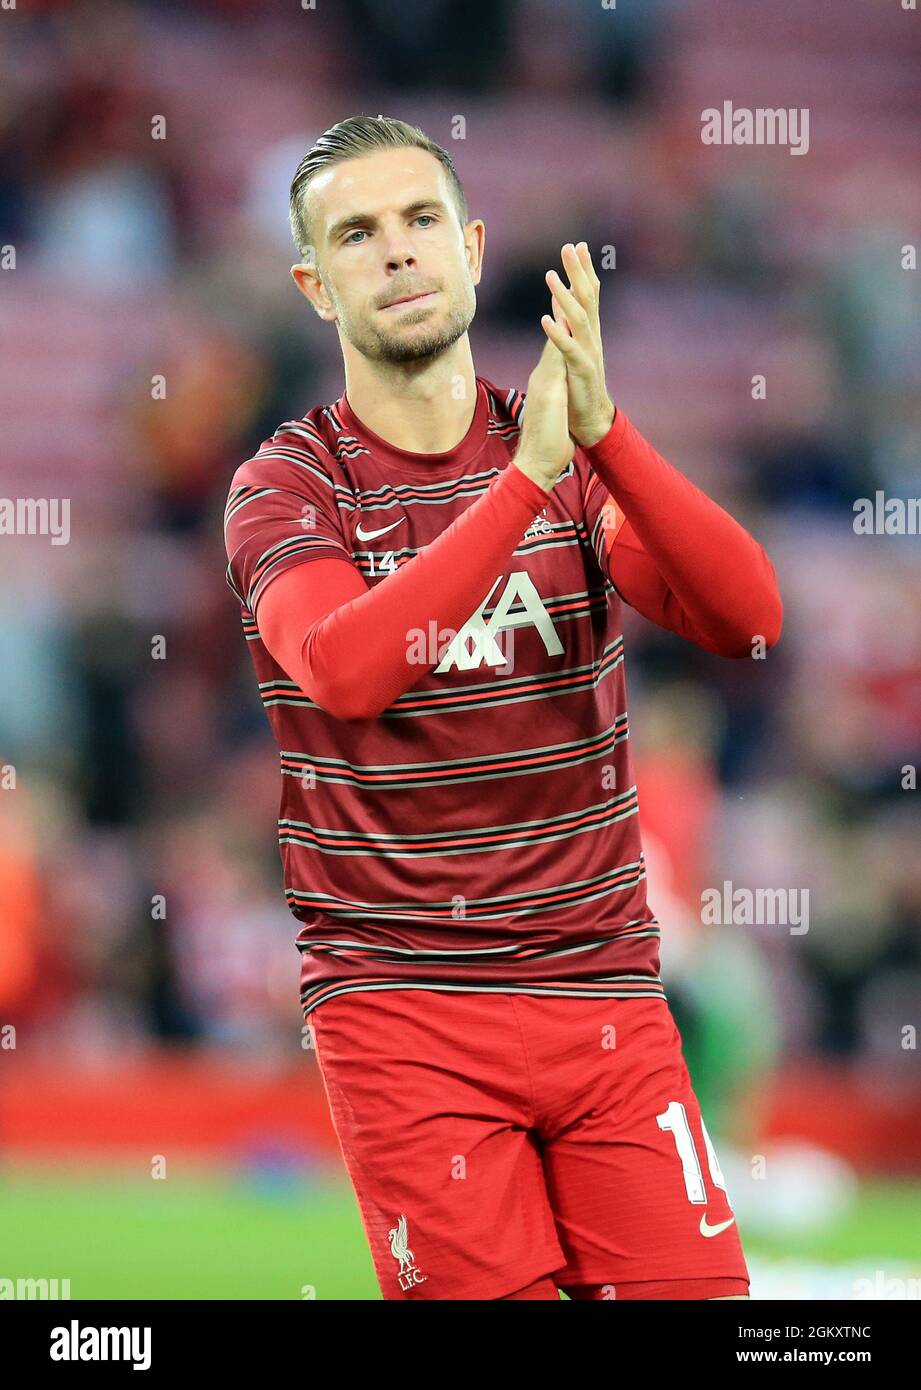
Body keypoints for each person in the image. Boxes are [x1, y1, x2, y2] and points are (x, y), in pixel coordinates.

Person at [223, 115, 783, 1300]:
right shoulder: (286, 486)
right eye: (359, 234)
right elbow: (346, 669)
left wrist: (606, 432)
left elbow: (747, 615)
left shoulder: (576, 459)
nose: (399, 252)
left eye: (423, 220)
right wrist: (524, 479)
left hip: (605, 995)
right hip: (405, 1009)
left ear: (474, 248)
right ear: (315, 288)